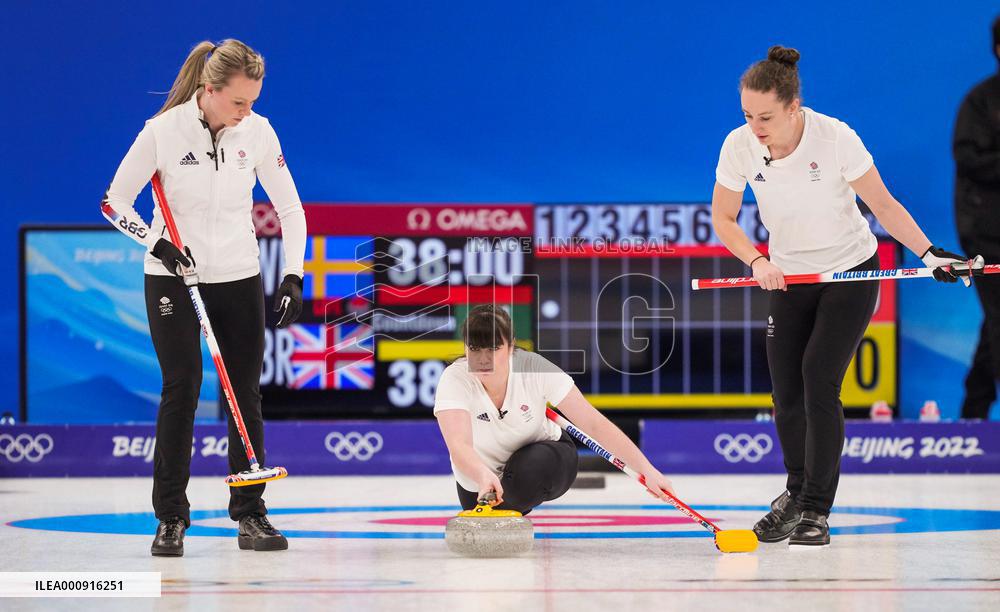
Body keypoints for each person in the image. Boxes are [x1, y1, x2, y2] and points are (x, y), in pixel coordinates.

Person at [711, 46, 968, 547]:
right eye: (746, 115)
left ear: (792, 107)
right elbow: (723, 218)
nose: (754, 126)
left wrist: (930, 253)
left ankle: (815, 509)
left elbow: (882, 204)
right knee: (785, 395)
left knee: (817, 378)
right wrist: (758, 262)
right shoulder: (739, 146)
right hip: (788, 278)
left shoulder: (835, 138)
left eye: (765, 116)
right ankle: (795, 492)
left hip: (849, 272)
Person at [101, 39, 307, 556]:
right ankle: (171, 516)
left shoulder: (257, 132)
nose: (247, 111)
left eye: (254, 101)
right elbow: (113, 202)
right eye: (239, 102)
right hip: (172, 274)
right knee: (183, 386)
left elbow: (291, 209)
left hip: (237, 273)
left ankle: (250, 512)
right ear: (210, 90)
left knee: (244, 391)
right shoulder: (162, 132)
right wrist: (158, 244)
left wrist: (293, 276)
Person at [433, 304, 674, 515]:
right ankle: (504, 502)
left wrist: (647, 470)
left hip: (545, 460)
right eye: (475, 349)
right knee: (481, 500)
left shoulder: (535, 369)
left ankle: (510, 502)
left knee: (531, 468)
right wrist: (482, 476)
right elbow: (459, 446)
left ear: (511, 346)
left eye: (493, 349)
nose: (483, 359)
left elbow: (594, 424)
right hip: (479, 480)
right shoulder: (454, 379)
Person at [956, 16, 1000, 420]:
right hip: (988, 236)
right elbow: (968, 159)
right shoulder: (981, 102)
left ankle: (972, 416)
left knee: (995, 324)